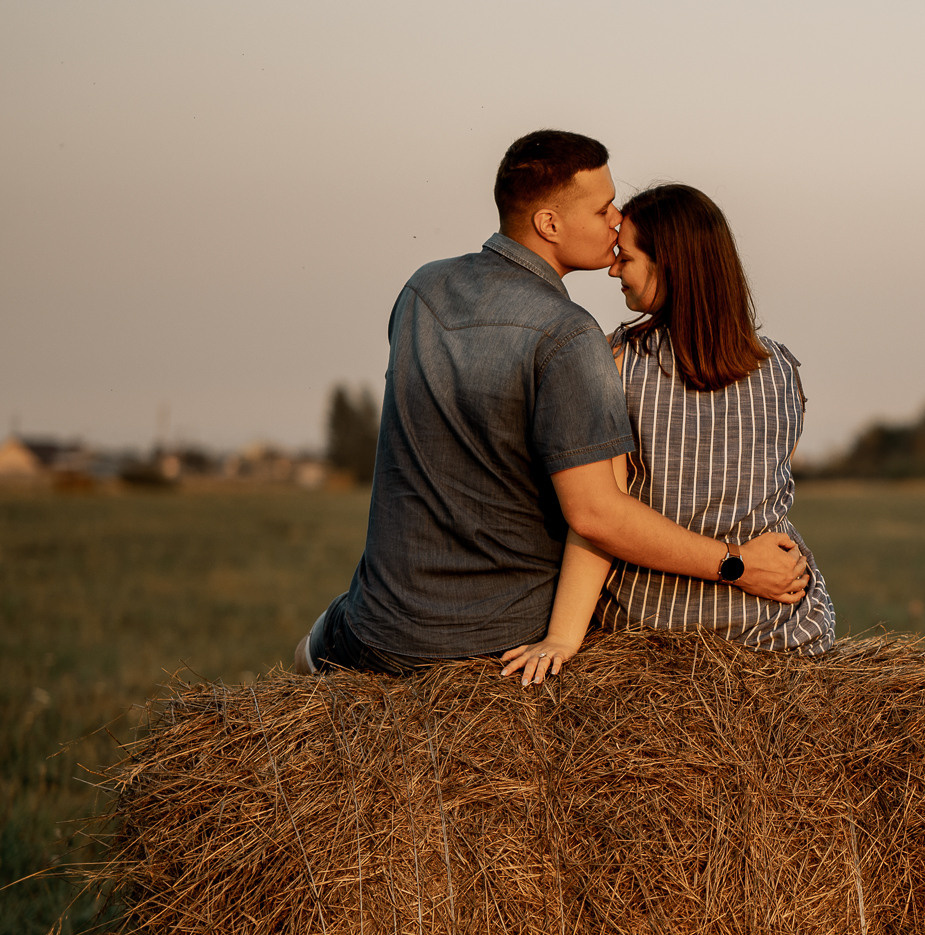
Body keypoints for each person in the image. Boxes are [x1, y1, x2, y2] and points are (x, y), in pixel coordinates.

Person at [294, 131, 810, 676]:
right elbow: (595, 514)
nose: (616, 220)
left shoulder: (421, 289)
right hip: (501, 636)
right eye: (602, 207)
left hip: (381, 628)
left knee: (310, 651)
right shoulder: (570, 337)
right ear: (549, 224)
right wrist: (737, 565)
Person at [499, 184, 835, 685]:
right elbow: (766, 492)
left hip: (652, 629)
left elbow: (599, 517)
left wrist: (564, 638)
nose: (614, 270)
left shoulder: (615, 363)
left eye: (626, 258)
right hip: (778, 627)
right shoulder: (781, 368)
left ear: (669, 266)